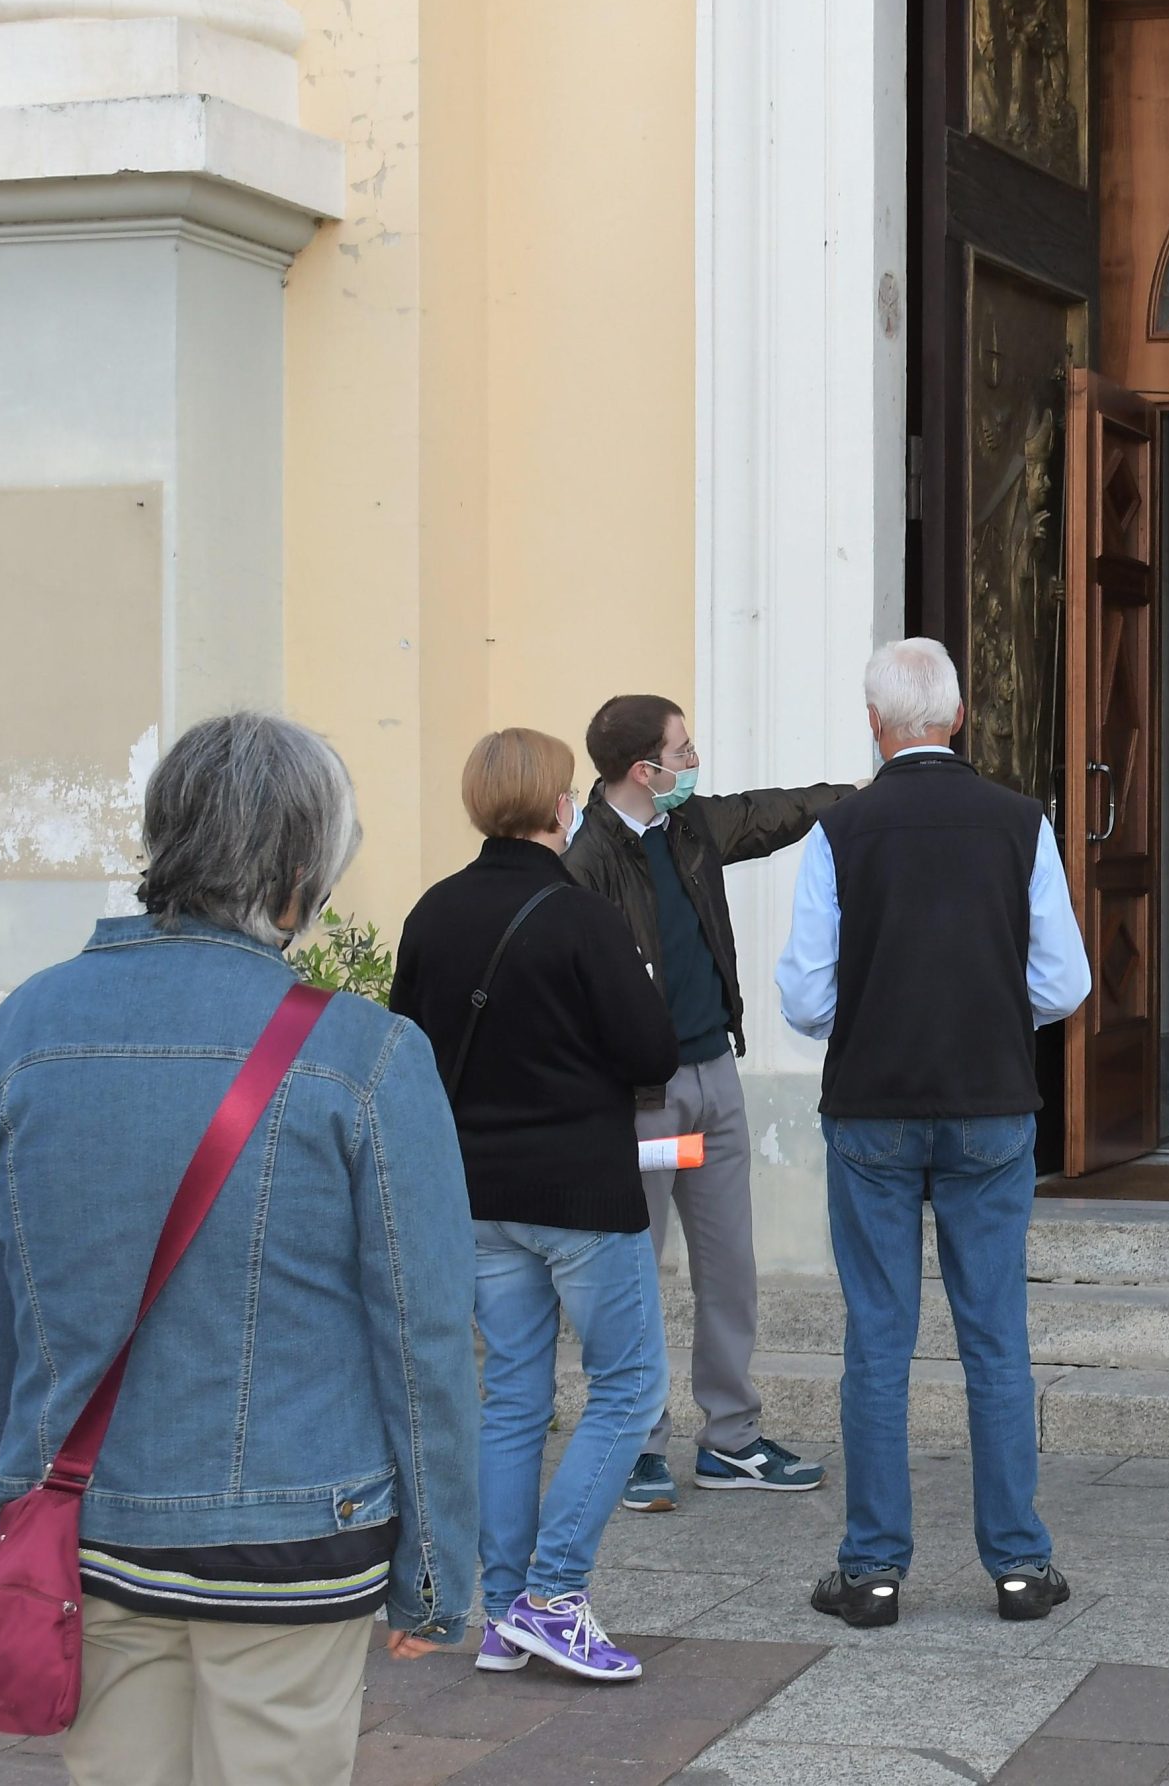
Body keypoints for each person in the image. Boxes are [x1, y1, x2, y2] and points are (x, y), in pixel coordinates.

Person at [0, 713, 477, 1786]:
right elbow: (423, 1338)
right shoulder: (367, 1052)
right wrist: (434, 1573)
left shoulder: (18, 1031)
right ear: (296, 874)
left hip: (86, 1529)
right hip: (292, 1535)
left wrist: (8, 1506)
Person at [775, 638, 1092, 1629]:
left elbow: (803, 993)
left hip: (871, 1102)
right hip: (991, 1099)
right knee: (995, 1338)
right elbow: (1063, 983)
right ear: (958, 717)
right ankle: (1019, 1566)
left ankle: (871, 1569)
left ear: (875, 725)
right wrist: (989, 1014)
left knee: (878, 1339)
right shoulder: (1018, 821)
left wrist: (875, 1014)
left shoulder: (842, 829)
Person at [391, 729, 682, 1683]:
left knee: (513, 1394)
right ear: (558, 805)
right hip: (581, 1195)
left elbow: (409, 1051)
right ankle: (555, 1597)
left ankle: (503, 1611)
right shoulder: (582, 916)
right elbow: (651, 1055)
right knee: (629, 1386)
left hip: (476, 1194)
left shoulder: (432, 913)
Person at [567, 694, 852, 1512]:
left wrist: (874, 792)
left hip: (714, 1080)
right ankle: (638, 1444)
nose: (693, 765)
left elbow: (775, 814)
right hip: (640, 1102)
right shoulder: (586, 861)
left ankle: (731, 1438)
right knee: (634, 1272)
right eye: (681, 753)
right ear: (640, 770)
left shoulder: (691, 829)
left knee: (729, 1268)